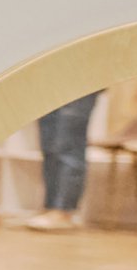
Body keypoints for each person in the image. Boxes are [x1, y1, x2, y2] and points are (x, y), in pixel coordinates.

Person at [24, 91, 100, 231]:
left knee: (68, 145)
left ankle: (63, 212)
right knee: (50, 147)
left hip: (81, 81)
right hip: (51, 82)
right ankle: (50, 208)